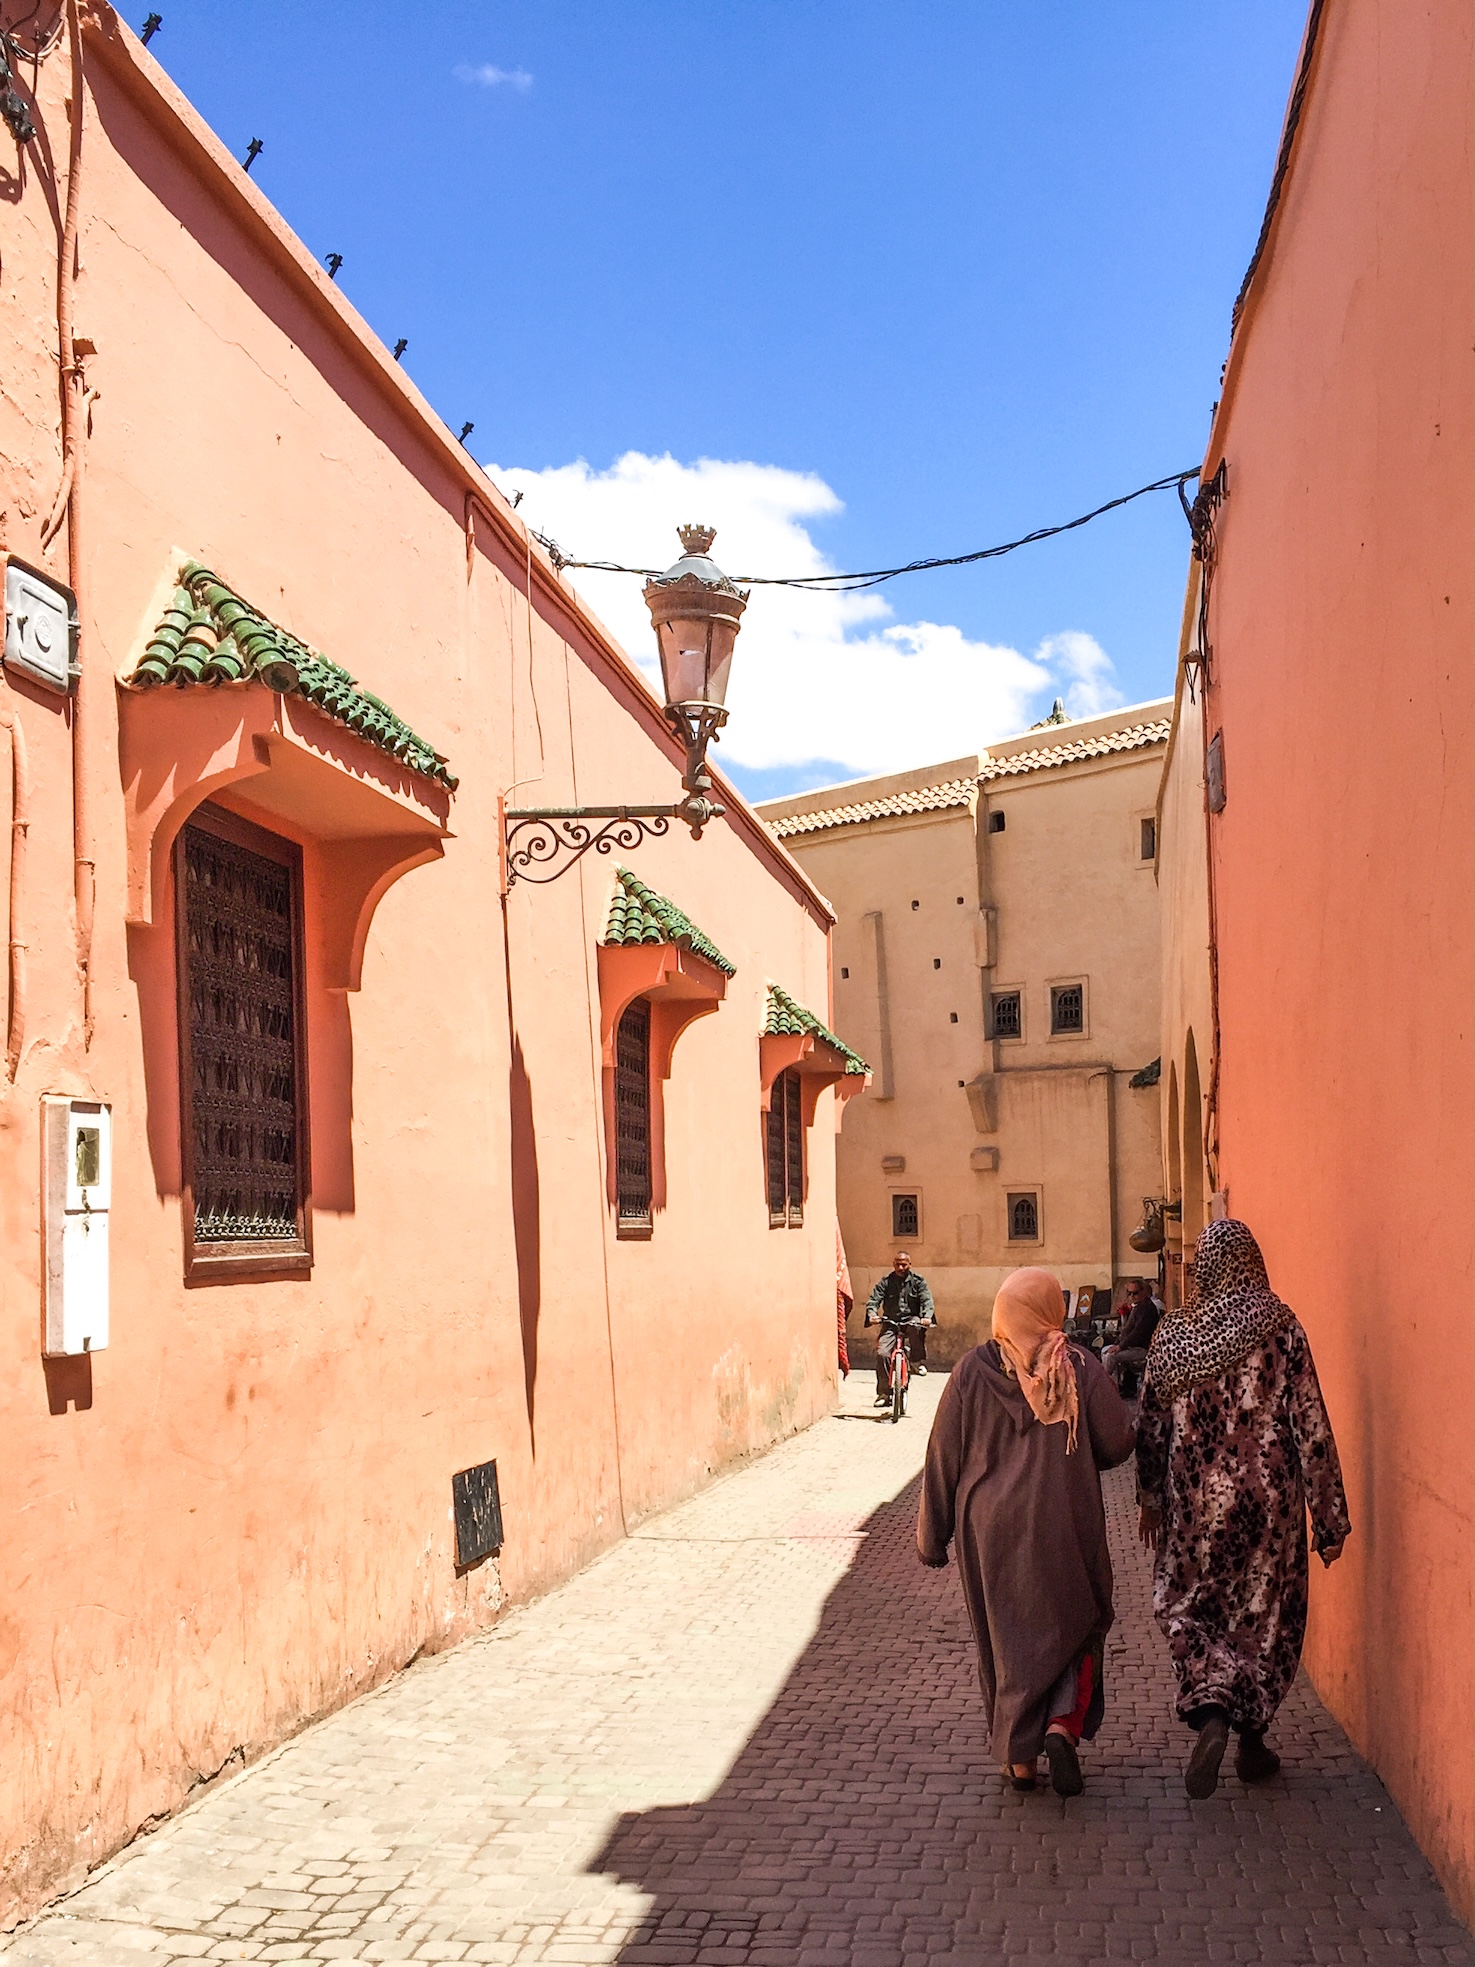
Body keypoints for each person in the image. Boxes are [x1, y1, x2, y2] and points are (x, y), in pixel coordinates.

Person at [1136, 1219, 1351, 1799]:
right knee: (1265, 1617)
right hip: (1269, 1504)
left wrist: (1150, 1499)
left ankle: (1211, 1709)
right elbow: (1310, 1422)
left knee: (1185, 1604)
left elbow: (1151, 1427)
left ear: (1204, 1269)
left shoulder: (1173, 1335)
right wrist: (1329, 1519)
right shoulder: (1280, 1327)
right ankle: (1252, 1740)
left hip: (1194, 1507)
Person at [917, 1268, 1135, 1796]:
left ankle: (1019, 1761)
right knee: (1080, 1621)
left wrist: (932, 1535)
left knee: (1007, 1641)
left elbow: (943, 1455)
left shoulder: (970, 1371)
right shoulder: (1076, 1366)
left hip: (988, 1533)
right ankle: (1061, 1724)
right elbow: (1118, 1442)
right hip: (1066, 1521)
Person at [864, 1253, 935, 1404]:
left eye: (904, 1264)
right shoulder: (886, 1281)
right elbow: (874, 1300)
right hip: (890, 1321)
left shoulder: (918, 1281)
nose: (900, 1267)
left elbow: (926, 1300)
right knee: (882, 1354)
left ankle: (915, 1362)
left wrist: (927, 1316)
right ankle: (884, 1394)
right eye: (897, 1264)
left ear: (910, 1264)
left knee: (917, 1329)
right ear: (893, 1264)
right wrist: (872, 1314)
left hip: (911, 1319)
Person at [1101, 1277, 1163, 1394]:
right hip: (1132, 1346)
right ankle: (1119, 1385)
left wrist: (1120, 1347)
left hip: (1142, 1349)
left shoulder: (1146, 1309)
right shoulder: (1139, 1307)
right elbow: (1127, 1331)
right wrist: (1117, 1344)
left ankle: (1107, 1388)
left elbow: (1137, 1334)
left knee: (1111, 1356)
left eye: (1135, 1293)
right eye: (1129, 1293)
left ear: (1143, 1291)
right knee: (1106, 1351)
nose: (1132, 1296)